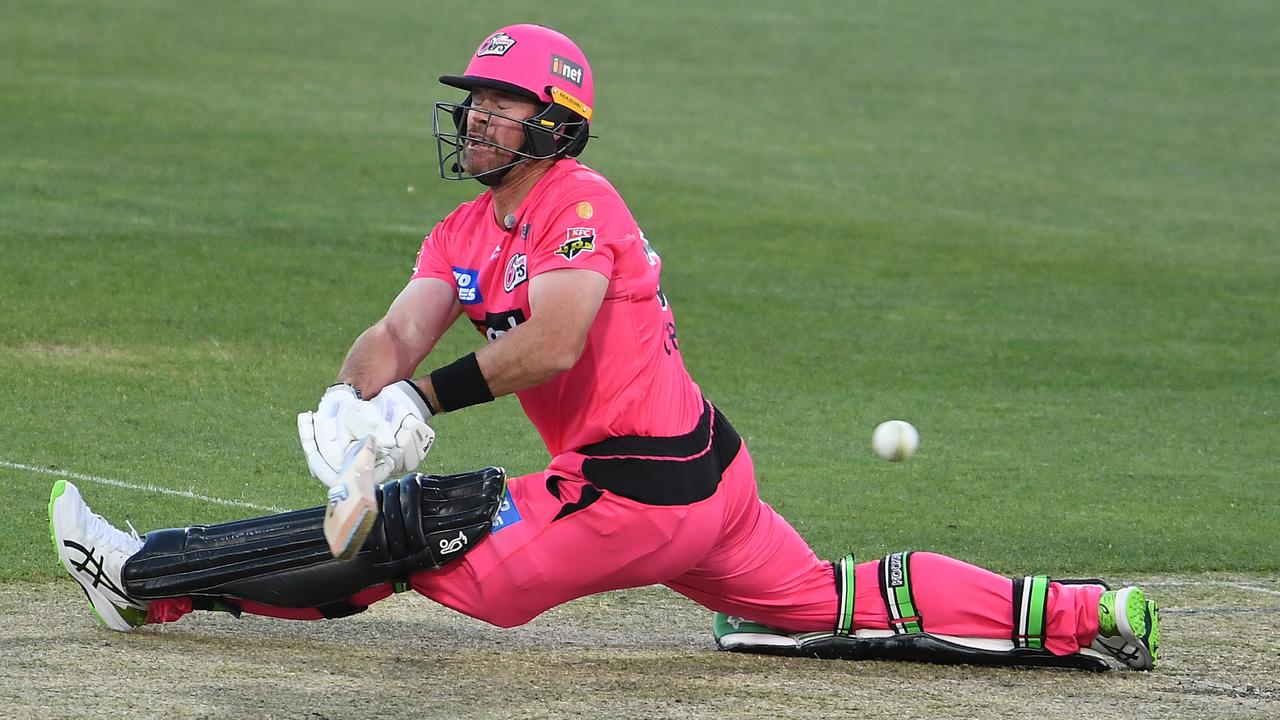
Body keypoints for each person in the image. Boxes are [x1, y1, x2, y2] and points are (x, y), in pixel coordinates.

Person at [49, 24, 1159, 671]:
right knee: (827, 598)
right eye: (472, 103)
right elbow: (397, 329)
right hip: (706, 490)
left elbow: (555, 342)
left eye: (498, 104)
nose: (474, 119)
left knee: (420, 534)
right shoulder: (462, 230)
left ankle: (143, 578)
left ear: (554, 123)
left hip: (639, 492)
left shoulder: (582, 204)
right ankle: (1083, 613)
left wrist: (422, 406)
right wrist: (353, 397)